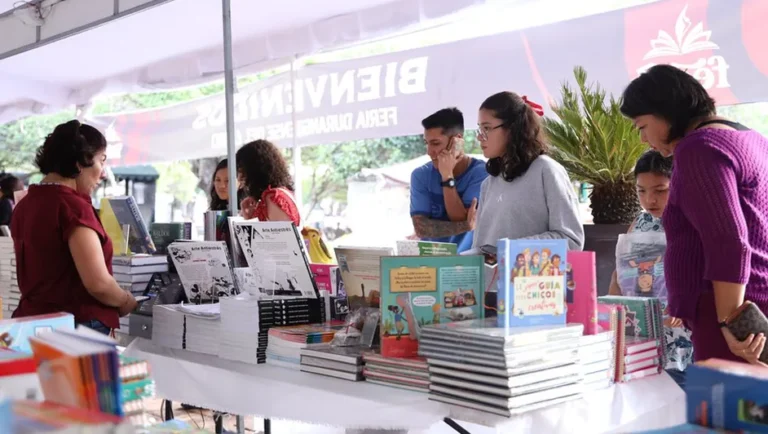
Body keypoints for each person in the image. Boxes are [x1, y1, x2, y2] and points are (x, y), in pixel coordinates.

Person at [621, 64, 768, 366]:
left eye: (642, 126)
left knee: (729, 408)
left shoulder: (698, 147)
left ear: (666, 112)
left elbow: (728, 240)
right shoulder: (752, 138)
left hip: (732, 309)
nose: (643, 139)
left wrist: (730, 321)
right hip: (751, 300)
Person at [11, 120, 137, 335]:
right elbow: (97, 283)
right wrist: (126, 300)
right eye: (101, 161)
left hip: (28, 324)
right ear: (80, 163)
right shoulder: (73, 207)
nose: (103, 173)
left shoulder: (25, 203)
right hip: (74, 326)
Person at [608, 151, 693, 385]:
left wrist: (683, 305)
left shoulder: (693, 221)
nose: (649, 200)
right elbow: (621, 271)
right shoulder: (641, 221)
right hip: (643, 331)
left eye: (660, 190)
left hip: (681, 331)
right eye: (641, 191)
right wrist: (615, 309)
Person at [471, 91, 584, 251]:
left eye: (487, 128)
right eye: (479, 129)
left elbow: (571, 240)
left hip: (536, 276)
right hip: (493, 277)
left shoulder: (546, 170)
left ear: (512, 128)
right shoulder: (488, 184)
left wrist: (512, 249)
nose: (480, 137)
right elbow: (479, 249)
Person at [409, 108, 488, 253]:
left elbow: (459, 217)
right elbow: (421, 228)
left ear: (457, 141)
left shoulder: (481, 173)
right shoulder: (420, 175)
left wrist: (447, 177)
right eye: (427, 143)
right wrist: (466, 226)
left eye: (435, 143)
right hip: (429, 264)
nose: (429, 151)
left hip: (467, 264)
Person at [236, 139, 300, 226]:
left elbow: (281, 237)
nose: (240, 177)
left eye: (241, 170)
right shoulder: (279, 194)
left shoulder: (273, 197)